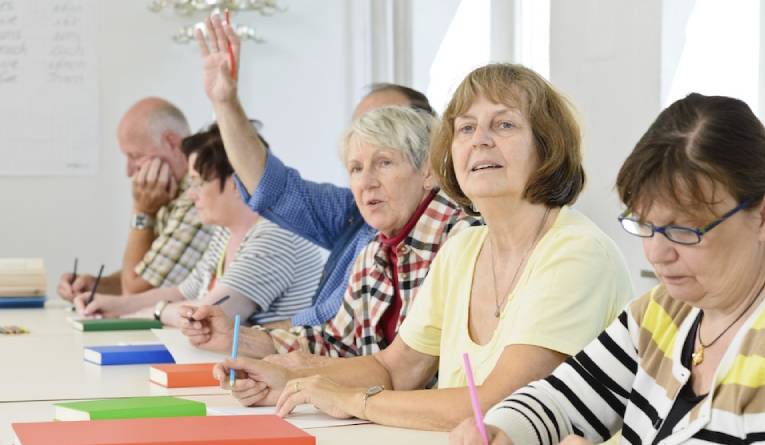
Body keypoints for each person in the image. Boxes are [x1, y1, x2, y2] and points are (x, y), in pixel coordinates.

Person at [209, 63, 633, 431]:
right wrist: (290, 382)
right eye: (466, 128)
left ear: (548, 148)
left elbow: (498, 406)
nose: (480, 140)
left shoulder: (575, 252)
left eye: (503, 124)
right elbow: (396, 368)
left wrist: (353, 400)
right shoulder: (464, 248)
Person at [450, 93, 765, 444]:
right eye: (645, 225)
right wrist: (503, 430)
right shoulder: (666, 311)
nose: (657, 252)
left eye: (684, 230)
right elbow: (560, 399)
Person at [182, 104, 481, 361]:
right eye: (355, 169)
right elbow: (335, 343)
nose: (367, 182)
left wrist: (310, 382)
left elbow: (403, 372)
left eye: (384, 163)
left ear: (428, 171)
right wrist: (236, 339)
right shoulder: (375, 250)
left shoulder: (463, 240)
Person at [195, 15, 436, 329]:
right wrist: (224, 102)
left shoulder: (449, 232)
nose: (367, 177)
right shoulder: (354, 210)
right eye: (360, 133)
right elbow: (273, 189)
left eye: (386, 129)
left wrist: (268, 338)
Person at [73, 124, 323, 327]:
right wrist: (115, 305)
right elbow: (184, 293)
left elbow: (206, 317)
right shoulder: (227, 231)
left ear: (237, 182)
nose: (192, 195)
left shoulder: (274, 235)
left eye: (198, 183)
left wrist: (155, 311)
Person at [57, 97, 212, 298]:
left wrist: (142, 211)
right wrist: (95, 285)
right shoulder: (171, 192)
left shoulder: (197, 198)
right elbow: (153, 273)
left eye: (136, 156)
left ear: (172, 143)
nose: (130, 171)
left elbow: (136, 294)